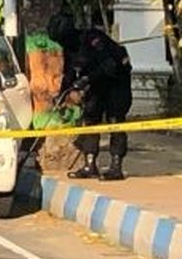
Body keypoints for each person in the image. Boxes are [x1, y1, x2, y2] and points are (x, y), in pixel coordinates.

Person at [49, 11, 134, 180]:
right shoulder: (70, 49)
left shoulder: (94, 39)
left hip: (116, 83)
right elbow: (69, 73)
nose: (64, 44)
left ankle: (116, 166)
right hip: (96, 87)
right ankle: (90, 165)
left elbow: (109, 65)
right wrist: (62, 94)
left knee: (115, 121)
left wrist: (88, 79)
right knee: (90, 119)